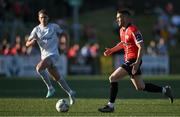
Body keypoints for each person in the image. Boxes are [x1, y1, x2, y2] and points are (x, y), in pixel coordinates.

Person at [98, 9, 174, 112]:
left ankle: (111, 106)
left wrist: (137, 63)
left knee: (113, 78)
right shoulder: (122, 30)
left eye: (119, 17)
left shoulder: (133, 30)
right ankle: (165, 90)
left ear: (126, 18)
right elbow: (123, 43)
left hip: (133, 60)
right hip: (130, 61)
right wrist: (112, 50)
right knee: (140, 87)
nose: (117, 20)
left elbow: (141, 47)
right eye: (117, 18)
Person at [26, 9, 75, 105]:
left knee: (39, 68)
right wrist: (30, 42)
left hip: (53, 55)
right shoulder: (36, 30)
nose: (43, 19)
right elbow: (27, 43)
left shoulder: (53, 27)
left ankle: (50, 88)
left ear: (48, 18)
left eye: (45, 17)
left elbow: (65, 34)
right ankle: (70, 92)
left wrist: (66, 46)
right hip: (44, 57)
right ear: (38, 18)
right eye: (41, 17)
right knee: (57, 78)